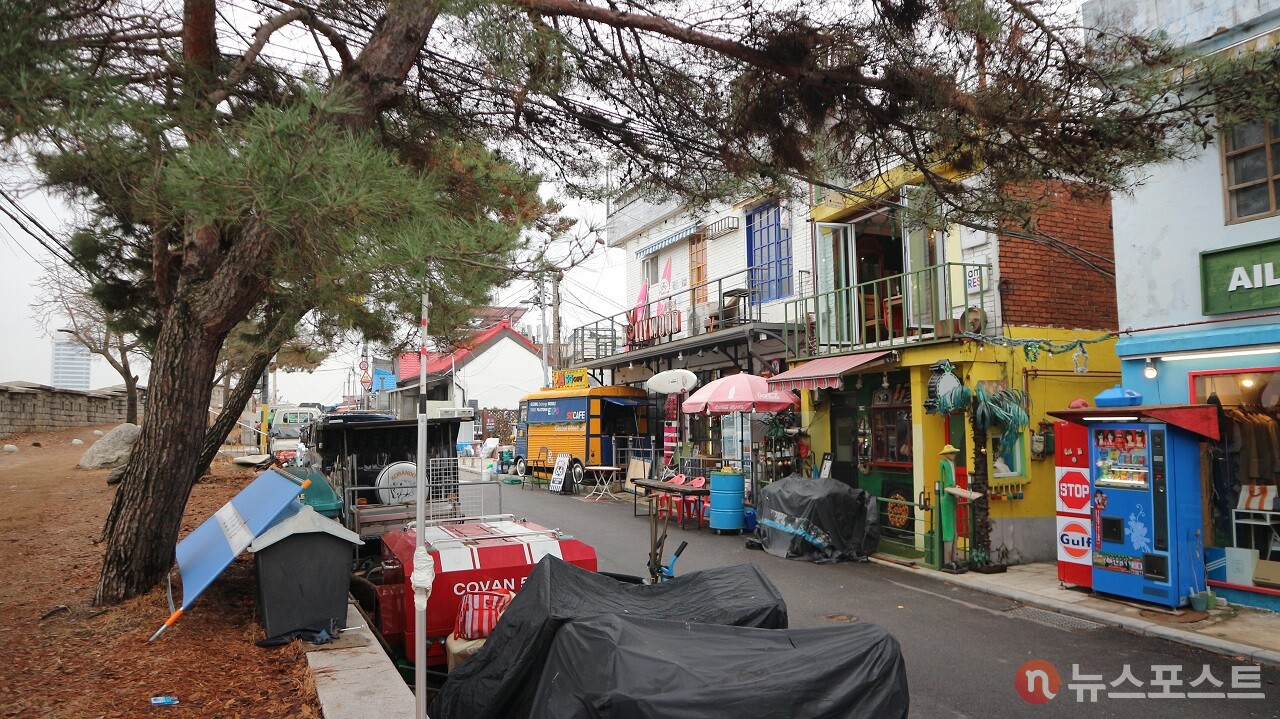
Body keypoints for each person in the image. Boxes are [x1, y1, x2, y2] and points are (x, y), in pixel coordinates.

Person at [938, 444, 962, 571]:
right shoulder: (943, 464)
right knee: (948, 530)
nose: (953, 455)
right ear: (946, 454)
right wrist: (949, 492)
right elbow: (944, 483)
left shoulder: (952, 464)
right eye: (951, 453)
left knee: (954, 529)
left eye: (954, 453)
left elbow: (951, 482)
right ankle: (948, 560)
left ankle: (954, 558)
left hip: (951, 496)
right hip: (947, 498)